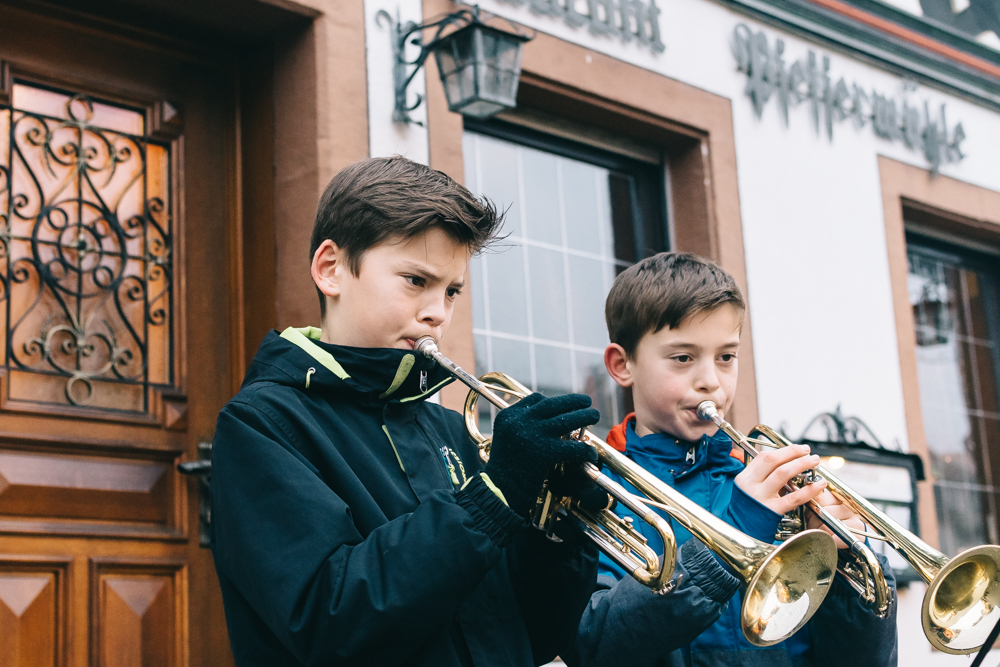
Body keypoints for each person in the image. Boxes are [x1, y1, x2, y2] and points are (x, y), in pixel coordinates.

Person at [209, 156, 603, 667]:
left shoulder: (449, 430)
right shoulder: (261, 425)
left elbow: (535, 635)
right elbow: (329, 622)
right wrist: (491, 500)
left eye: (452, 291)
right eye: (416, 281)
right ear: (331, 270)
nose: (438, 311)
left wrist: (557, 532)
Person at [590, 251, 898, 667]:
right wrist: (733, 534)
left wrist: (849, 566)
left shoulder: (770, 484)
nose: (711, 381)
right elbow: (596, 643)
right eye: (683, 358)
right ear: (622, 364)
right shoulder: (597, 491)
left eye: (726, 357)